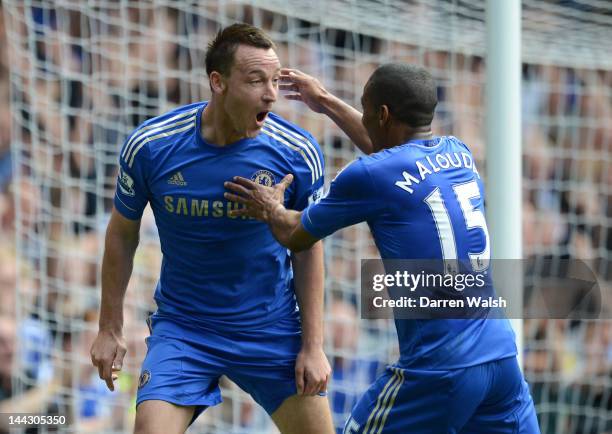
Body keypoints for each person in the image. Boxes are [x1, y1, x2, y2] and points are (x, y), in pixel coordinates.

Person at [224, 64, 541, 433]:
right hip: (500, 356)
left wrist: (270, 208)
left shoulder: (371, 174)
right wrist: (324, 100)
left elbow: (295, 234)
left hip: (440, 366)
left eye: (367, 110)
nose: (366, 119)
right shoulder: (459, 153)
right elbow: (390, 154)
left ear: (384, 114)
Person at [90, 23, 334, 434]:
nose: (271, 93)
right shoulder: (151, 146)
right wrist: (109, 326)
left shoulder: (296, 152)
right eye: (256, 80)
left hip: (270, 328)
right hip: (186, 328)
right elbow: (122, 232)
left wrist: (314, 346)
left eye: (275, 80)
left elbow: (308, 246)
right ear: (217, 82)